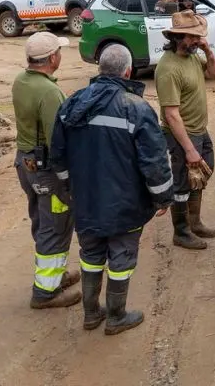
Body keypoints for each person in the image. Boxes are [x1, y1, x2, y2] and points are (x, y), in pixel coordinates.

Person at [50, 45, 175, 335]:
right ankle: (116, 315)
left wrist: (71, 188)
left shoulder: (72, 103)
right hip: (125, 203)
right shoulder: (137, 107)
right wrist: (163, 198)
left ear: (99, 69)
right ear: (128, 71)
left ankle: (91, 313)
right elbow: (154, 161)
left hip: (86, 200)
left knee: (90, 253)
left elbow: (57, 153)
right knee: (121, 258)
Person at [11, 31, 79, 309]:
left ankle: (54, 277)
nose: (60, 56)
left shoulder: (21, 81)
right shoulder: (49, 92)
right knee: (56, 222)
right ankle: (45, 293)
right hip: (46, 168)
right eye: (59, 52)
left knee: (42, 219)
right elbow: (58, 141)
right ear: (52, 58)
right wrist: (70, 176)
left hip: (26, 162)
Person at [155, 10, 215, 250]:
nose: (197, 40)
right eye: (193, 37)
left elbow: (214, 74)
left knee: (201, 175)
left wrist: (207, 50)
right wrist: (189, 150)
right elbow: (172, 115)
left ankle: (195, 223)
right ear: (178, 37)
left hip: (199, 129)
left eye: (198, 36)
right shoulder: (168, 69)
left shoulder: (192, 56)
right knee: (183, 183)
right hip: (182, 134)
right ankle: (181, 232)